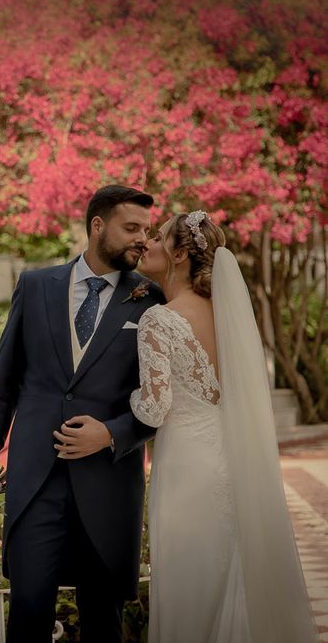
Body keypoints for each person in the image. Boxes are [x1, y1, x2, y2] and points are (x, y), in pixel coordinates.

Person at [0, 184, 164, 641]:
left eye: (147, 230)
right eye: (131, 227)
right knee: (29, 613)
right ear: (98, 226)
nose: (142, 238)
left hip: (109, 483)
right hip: (35, 480)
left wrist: (113, 433)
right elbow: (4, 384)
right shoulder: (36, 286)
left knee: (103, 620)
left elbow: (162, 396)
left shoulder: (153, 300)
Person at [129, 211, 317, 643]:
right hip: (227, 460)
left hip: (185, 470)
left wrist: (128, 397)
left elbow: (154, 411)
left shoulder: (159, 320)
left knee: (187, 586)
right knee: (230, 574)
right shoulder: (228, 316)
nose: (147, 245)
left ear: (179, 254)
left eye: (157, 239)